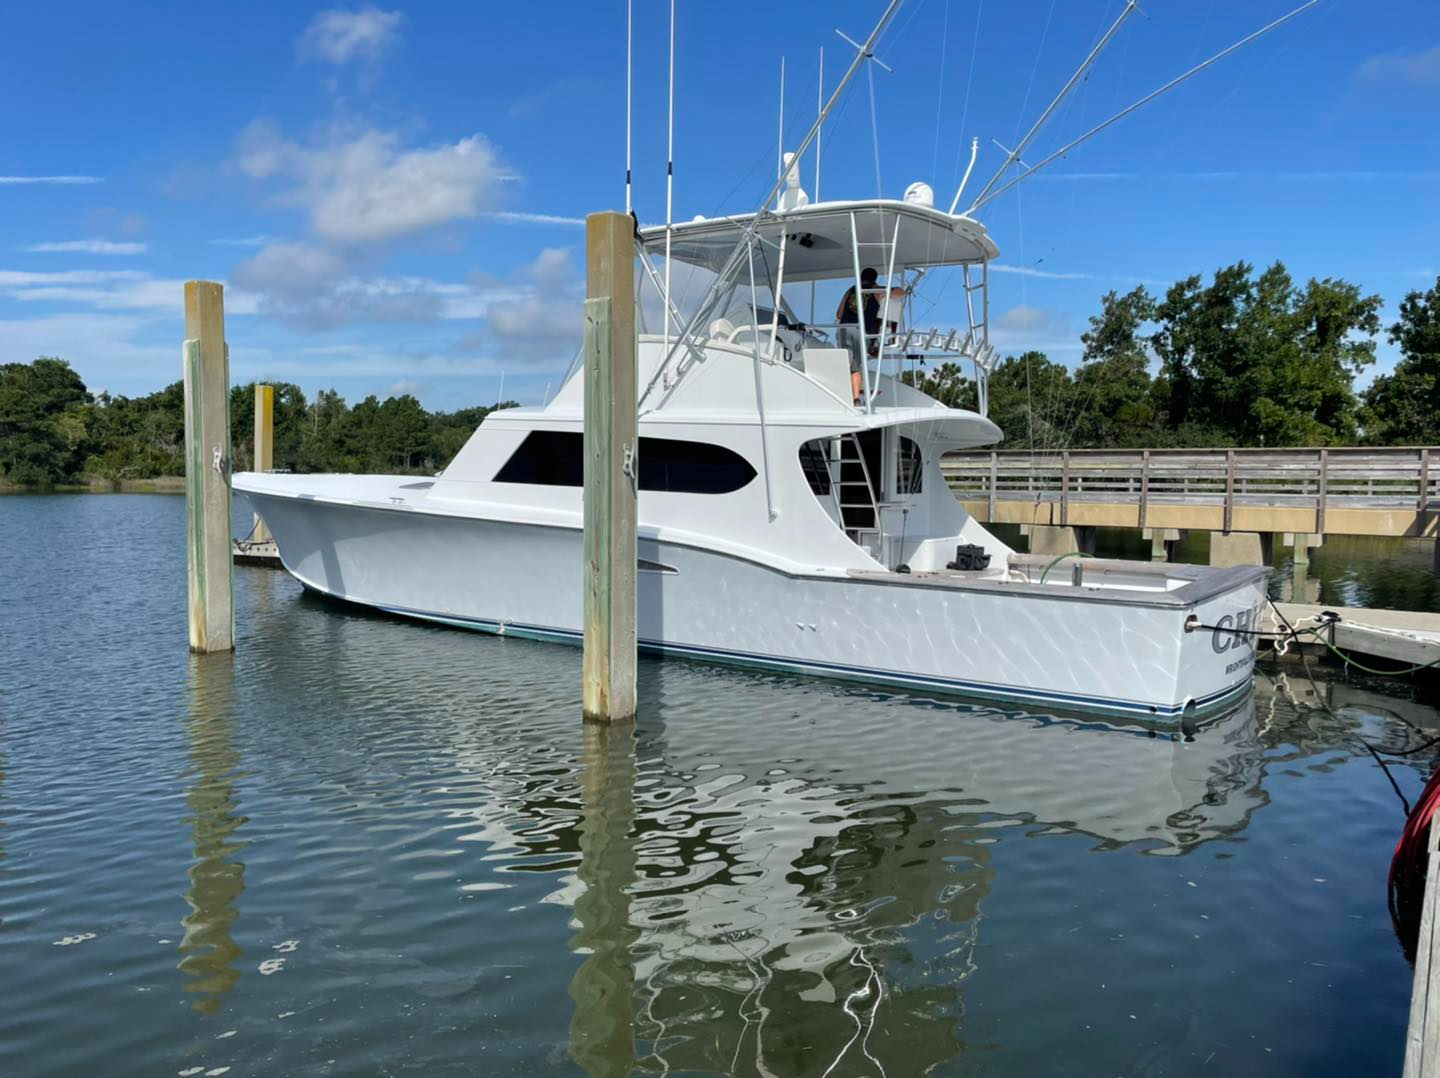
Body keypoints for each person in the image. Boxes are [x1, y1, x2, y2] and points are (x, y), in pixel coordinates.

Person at [836, 267, 881, 404]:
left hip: (843, 329)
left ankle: (842, 392)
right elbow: (897, 293)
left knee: (845, 363)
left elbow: (838, 314)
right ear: (875, 280)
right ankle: (855, 398)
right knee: (856, 366)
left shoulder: (850, 290)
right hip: (861, 331)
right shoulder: (876, 291)